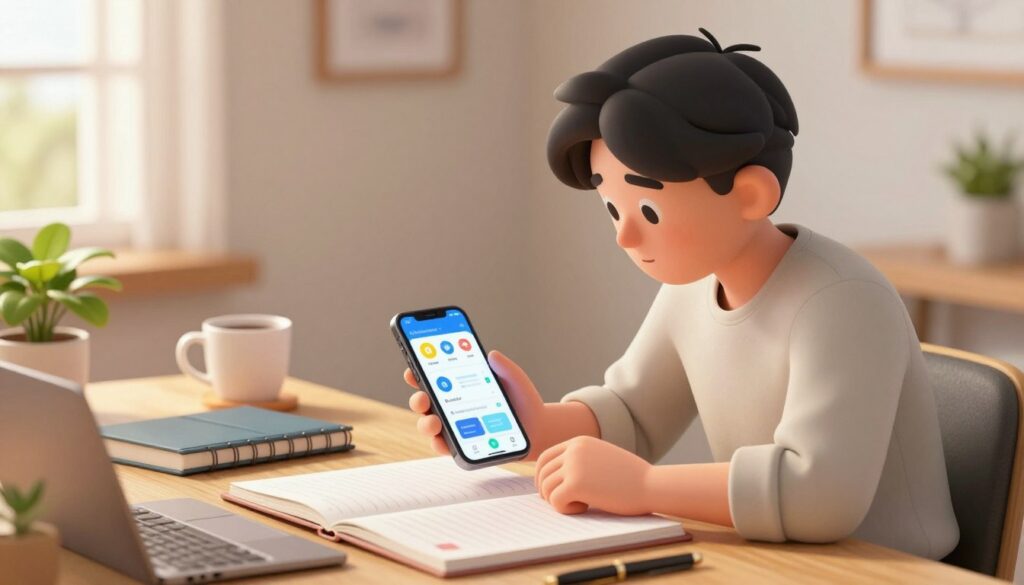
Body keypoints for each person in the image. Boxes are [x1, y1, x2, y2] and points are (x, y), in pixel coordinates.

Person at [403, 29, 959, 559]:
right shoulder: (692, 285)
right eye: (612, 208)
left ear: (751, 194)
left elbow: (820, 494)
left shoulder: (842, 301)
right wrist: (538, 428)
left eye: (648, 210)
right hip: (772, 559)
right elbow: (634, 413)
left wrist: (646, 486)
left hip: (888, 568)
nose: (624, 235)